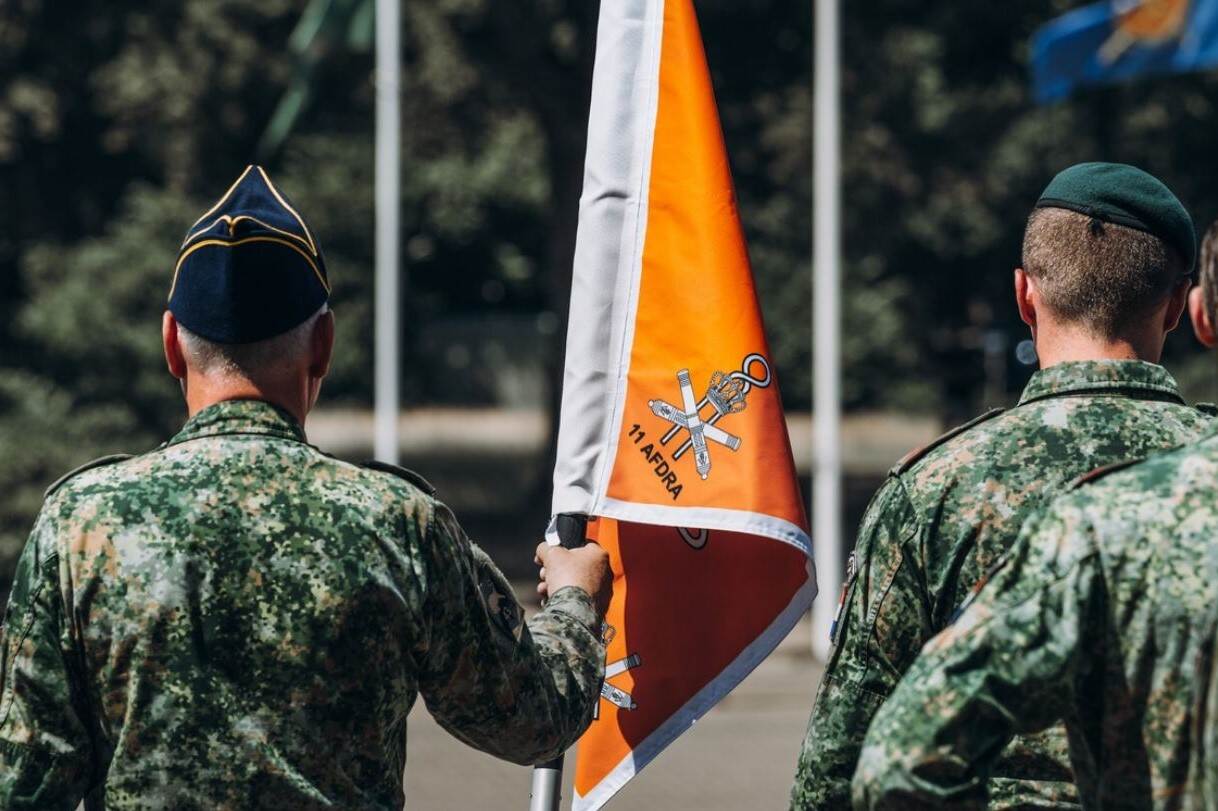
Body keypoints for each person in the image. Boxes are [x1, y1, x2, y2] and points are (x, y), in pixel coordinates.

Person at [0, 165, 611, 810]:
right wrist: (574, 599)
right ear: (322, 345)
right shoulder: (399, 523)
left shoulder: (81, 525)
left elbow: (26, 784)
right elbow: (531, 721)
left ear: (172, 346)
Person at [791, 162, 1213, 810]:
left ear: (1024, 295)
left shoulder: (931, 489)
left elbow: (840, 765)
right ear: (1175, 308)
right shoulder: (1201, 473)